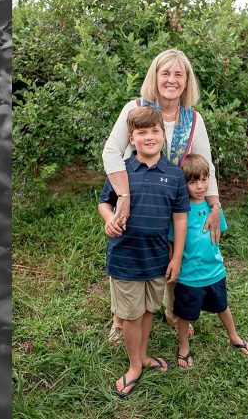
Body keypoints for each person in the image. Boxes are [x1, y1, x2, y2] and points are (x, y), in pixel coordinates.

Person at [103, 49, 221, 343]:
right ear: (155, 77)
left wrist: (215, 205)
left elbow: (206, 165)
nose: (172, 79)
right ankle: (120, 317)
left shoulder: (193, 120)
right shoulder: (136, 108)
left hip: (174, 200)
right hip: (136, 198)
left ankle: (171, 310)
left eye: (178, 74)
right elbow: (111, 152)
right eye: (165, 73)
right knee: (129, 254)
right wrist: (124, 196)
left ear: (186, 81)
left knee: (174, 254)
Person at [98, 106, 189, 398]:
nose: (149, 137)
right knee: (131, 316)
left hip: (157, 258)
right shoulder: (121, 170)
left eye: (155, 131)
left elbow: (179, 217)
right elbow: (105, 203)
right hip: (126, 257)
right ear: (131, 138)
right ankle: (135, 365)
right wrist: (110, 219)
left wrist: (175, 258)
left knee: (149, 310)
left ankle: (145, 354)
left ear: (163, 135)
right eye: (142, 132)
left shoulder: (175, 175)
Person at [170, 154, 248, 368]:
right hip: (189, 275)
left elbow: (217, 235)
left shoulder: (214, 209)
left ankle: (233, 336)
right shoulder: (180, 213)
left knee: (222, 306)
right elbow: (172, 242)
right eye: (193, 181)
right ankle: (183, 347)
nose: (200, 186)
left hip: (215, 271)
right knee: (184, 315)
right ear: (184, 183)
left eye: (204, 179)